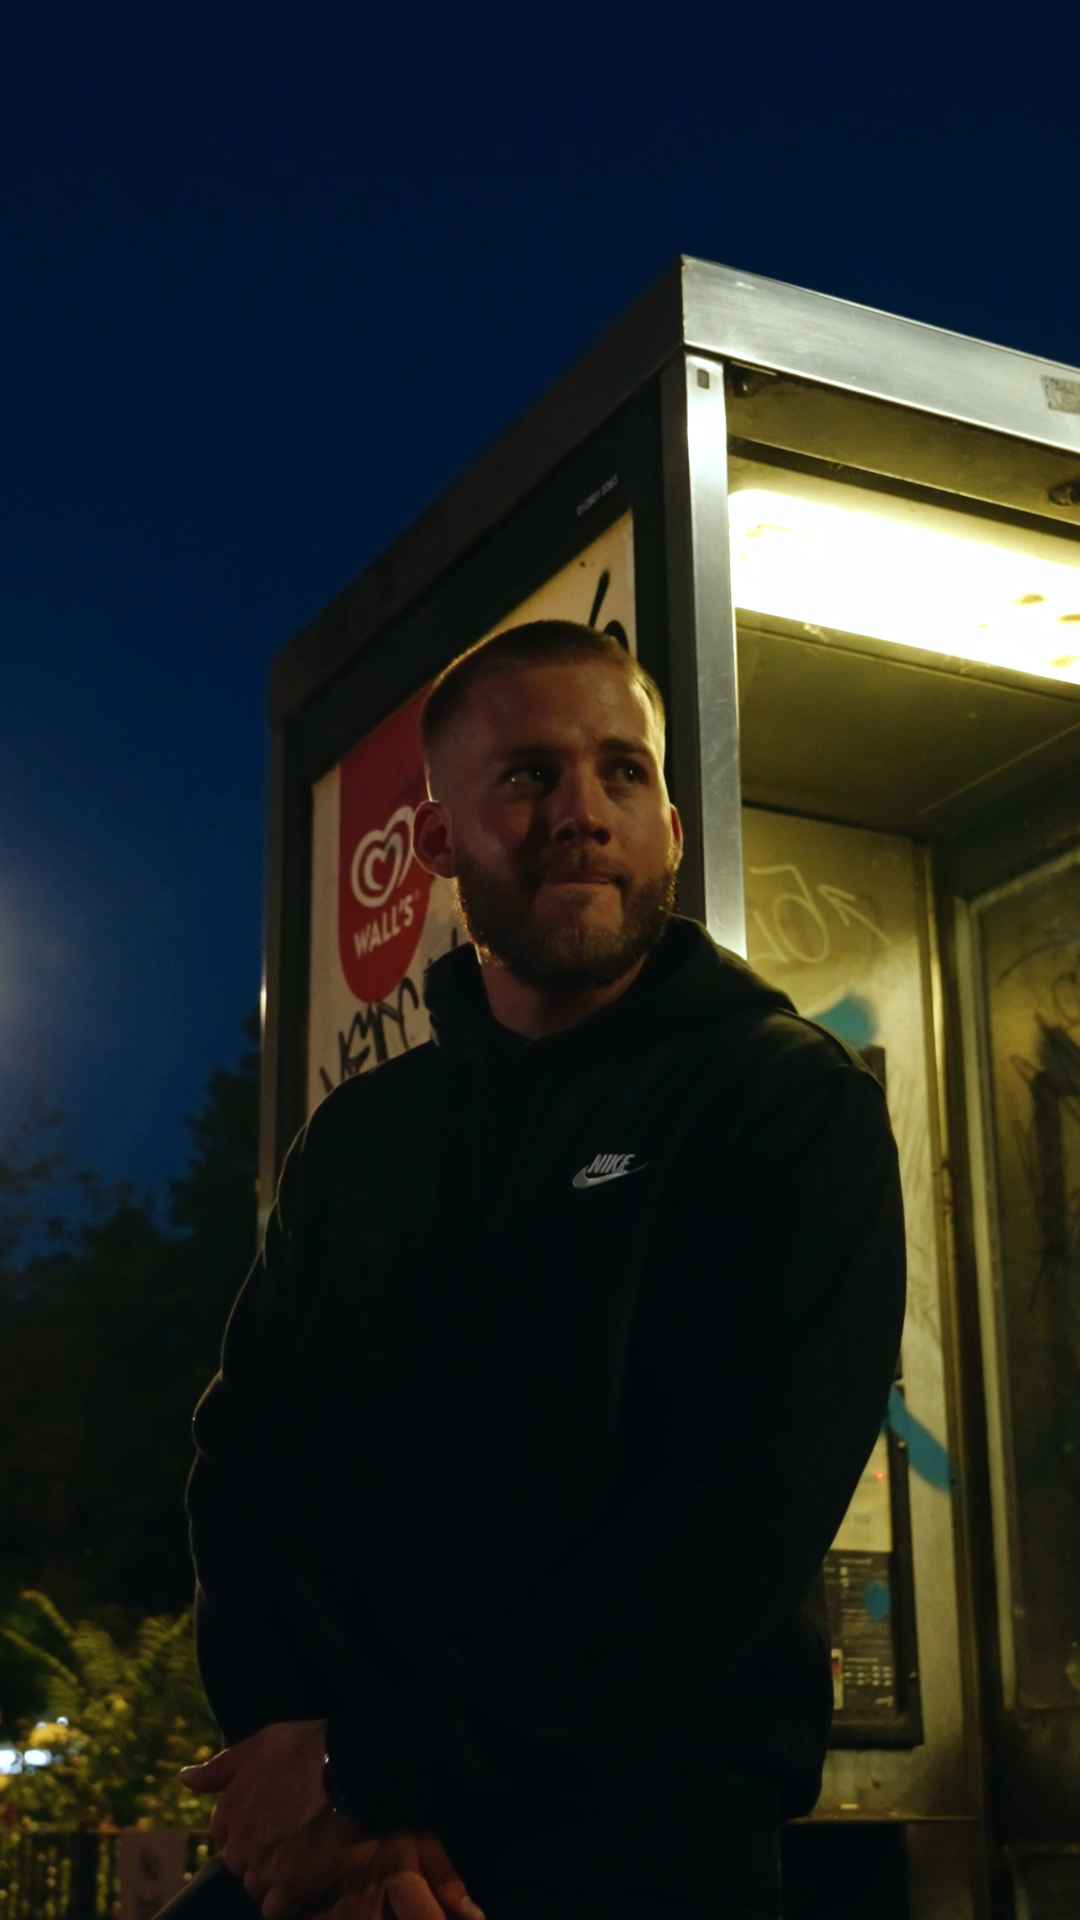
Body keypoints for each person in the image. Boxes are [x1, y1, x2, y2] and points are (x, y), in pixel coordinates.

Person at [170, 621, 906, 1920]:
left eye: (622, 773)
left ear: (672, 826)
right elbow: (245, 1473)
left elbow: (727, 1531)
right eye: (526, 774)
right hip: (350, 1854)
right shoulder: (360, 1138)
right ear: (439, 839)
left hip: (640, 1841)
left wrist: (364, 1768)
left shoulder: (782, 1105)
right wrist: (316, 1794)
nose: (581, 812)